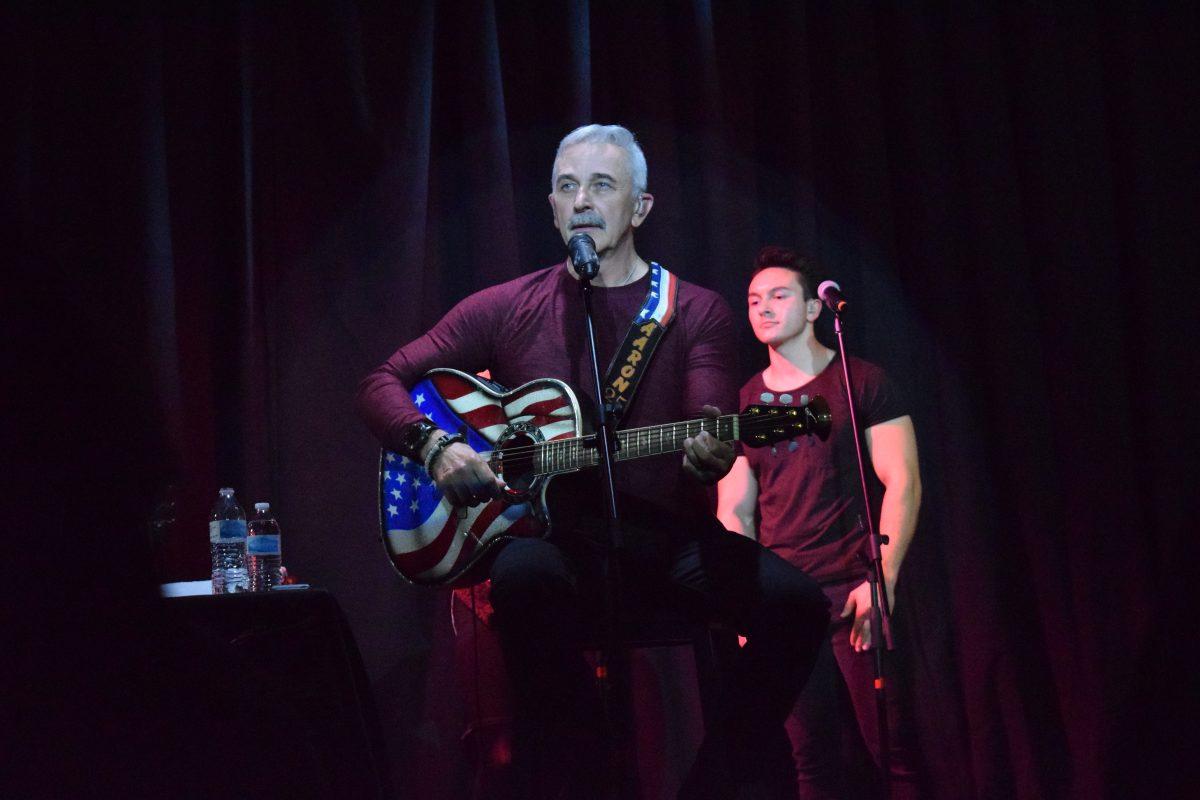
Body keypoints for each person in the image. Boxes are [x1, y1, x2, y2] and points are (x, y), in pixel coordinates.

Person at [357, 125, 829, 799]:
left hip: (667, 545)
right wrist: (436, 445)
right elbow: (380, 382)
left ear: (639, 208)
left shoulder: (693, 310)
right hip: (557, 550)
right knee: (521, 578)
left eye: (602, 185)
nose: (581, 200)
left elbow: (706, 416)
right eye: (568, 186)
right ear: (551, 207)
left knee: (798, 607)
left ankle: (711, 782)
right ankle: (583, 771)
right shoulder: (508, 305)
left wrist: (707, 453)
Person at [716, 247, 925, 799]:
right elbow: (734, 510)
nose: (762, 308)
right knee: (812, 765)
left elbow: (902, 481)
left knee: (896, 752)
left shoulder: (861, 382)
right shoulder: (745, 403)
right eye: (754, 300)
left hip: (857, 588)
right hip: (787, 605)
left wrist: (883, 579)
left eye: (778, 296)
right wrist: (745, 601)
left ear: (814, 308)